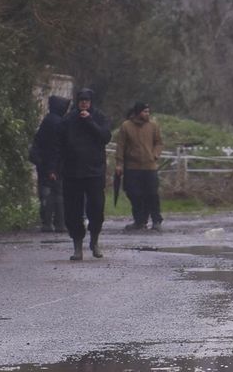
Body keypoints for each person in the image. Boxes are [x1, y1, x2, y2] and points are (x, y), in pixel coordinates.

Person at [60, 88, 112, 260]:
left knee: (96, 208)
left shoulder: (99, 117)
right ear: (77, 101)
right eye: (81, 100)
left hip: (94, 171)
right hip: (72, 172)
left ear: (91, 102)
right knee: (73, 211)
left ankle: (94, 240)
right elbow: (59, 143)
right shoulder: (69, 119)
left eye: (87, 100)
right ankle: (77, 246)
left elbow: (105, 137)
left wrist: (90, 121)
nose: (84, 103)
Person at [115, 101, 164, 231]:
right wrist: (119, 163)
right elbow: (121, 146)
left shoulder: (153, 125)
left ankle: (156, 220)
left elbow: (159, 142)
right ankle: (139, 220)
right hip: (132, 167)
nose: (147, 114)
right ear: (138, 112)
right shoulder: (126, 126)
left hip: (150, 167)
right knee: (134, 194)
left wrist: (155, 155)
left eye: (148, 111)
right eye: (144, 111)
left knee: (152, 194)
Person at [29, 94, 69, 232]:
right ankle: (58, 223)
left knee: (47, 192)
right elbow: (54, 148)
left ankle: (49, 222)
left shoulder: (48, 121)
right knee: (57, 193)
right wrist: (53, 168)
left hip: (45, 164)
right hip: (53, 164)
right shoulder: (57, 123)